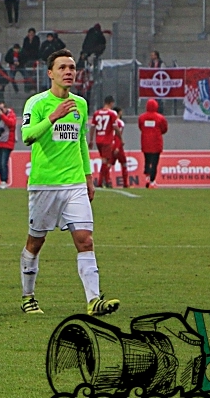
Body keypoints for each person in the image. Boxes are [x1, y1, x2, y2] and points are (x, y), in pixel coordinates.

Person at [20, 49, 118, 317]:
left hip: (74, 183)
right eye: (62, 67)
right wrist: (53, 117)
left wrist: (88, 177)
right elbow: (27, 136)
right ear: (50, 73)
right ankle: (28, 296)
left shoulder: (81, 104)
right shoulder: (37, 104)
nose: (69, 72)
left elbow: (82, 145)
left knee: (85, 240)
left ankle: (94, 300)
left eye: (72, 67)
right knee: (35, 242)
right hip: (44, 185)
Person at [138, 99, 169, 188]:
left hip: (145, 142)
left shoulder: (142, 117)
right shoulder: (160, 118)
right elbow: (164, 129)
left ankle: (147, 175)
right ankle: (152, 181)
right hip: (156, 143)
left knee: (147, 160)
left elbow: (141, 127)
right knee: (154, 162)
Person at [89, 96, 118, 188]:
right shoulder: (112, 113)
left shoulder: (96, 113)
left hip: (98, 140)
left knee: (105, 160)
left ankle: (104, 181)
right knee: (106, 161)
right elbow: (115, 127)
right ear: (111, 103)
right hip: (107, 140)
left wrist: (91, 140)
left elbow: (92, 127)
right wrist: (120, 138)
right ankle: (103, 181)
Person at [109, 107, 129, 188]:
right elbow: (117, 135)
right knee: (124, 163)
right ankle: (125, 183)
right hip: (118, 145)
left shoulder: (110, 121)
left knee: (108, 164)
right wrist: (117, 146)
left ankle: (106, 181)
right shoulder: (120, 123)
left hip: (110, 144)